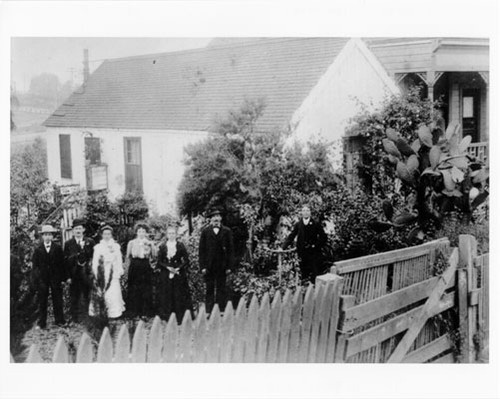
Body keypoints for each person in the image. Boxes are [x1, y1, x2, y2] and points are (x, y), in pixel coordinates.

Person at [198, 208, 235, 313]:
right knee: (209, 288)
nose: (216, 219)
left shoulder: (227, 231)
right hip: (209, 266)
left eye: (218, 216)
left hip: (222, 266)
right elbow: (201, 251)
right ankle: (209, 311)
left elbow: (231, 250)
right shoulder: (205, 232)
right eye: (213, 217)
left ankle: (220, 310)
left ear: (221, 218)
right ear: (210, 219)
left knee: (221, 288)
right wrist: (203, 267)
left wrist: (229, 267)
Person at [32, 225, 67, 329]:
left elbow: (62, 264)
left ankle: (60, 320)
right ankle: (42, 322)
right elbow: (35, 266)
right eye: (45, 235)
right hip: (43, 279)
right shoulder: (38, 249)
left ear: (52, 236)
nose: (47, 237)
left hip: (55, 278)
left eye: (49, 234)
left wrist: (63, 278)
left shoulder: (57, 248)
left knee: (57, 299)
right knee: (42, 300)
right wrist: (38, 278)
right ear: (42, 236)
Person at [282, 204, 327, 284]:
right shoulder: (298, 224)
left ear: (310, 212)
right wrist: (283, 247)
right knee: (303, 274)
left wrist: (315, 245)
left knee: (314, 274)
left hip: (313, 253)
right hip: (302, 253)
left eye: (307, 210)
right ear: (301, 213)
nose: (305, 212)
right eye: (304, 211)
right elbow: (291, 236)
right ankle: (304, 292)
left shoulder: (315, 224)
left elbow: (323, 238)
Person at [157, 226, 193, 322]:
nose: (171, 235)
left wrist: (178, 268)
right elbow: (159, 261)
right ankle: (167, 315)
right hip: (166, 271)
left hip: (178, 272)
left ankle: (180, 316)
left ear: (176, 235)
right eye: (169, 233)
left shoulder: (180, 245)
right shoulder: (163, 246)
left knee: (178, 293)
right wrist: (167, 267)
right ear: (167, 235)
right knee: (167, 292)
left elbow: (186, 260)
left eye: (173, 233)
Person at [89, 225, 125, 319]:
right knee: (102, 290)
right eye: (105, 234)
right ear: (102, 235)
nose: (107, 236)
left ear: (111, 235)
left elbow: (119, 259)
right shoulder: (98, 247)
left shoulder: (116, 246)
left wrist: (119, 270)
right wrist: (95, 272)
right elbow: (95, 261)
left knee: (113, 291)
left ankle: (114, 313)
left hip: (112, 271)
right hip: (102, 271)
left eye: (109, 234)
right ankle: (100, 311)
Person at [63, 218, 95, 323]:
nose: (78, 231)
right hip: (74, 274)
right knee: (74, 296)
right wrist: (67, 276)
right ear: (73, 230)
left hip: (86, 273)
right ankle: (75, 318)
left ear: (83, 230)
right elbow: (65, 261)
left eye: (80, 228)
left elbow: (93, 257)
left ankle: (87, 317)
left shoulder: (90, 242)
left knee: (87, 295)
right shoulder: (68, 243)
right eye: (76, 228)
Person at [125, 223, 155, 318]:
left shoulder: (149, 242)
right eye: (139, 231)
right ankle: (134, 311)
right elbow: (128, 256)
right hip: (135, 265)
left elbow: (154, 256)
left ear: (146, 233)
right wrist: (127, 268)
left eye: (143, 231)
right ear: (136, 232)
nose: (141, 233)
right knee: (134, 288)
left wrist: (152, 246)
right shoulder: (132, 242)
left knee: (145, 288)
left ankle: (145, 312)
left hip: (145, 265)